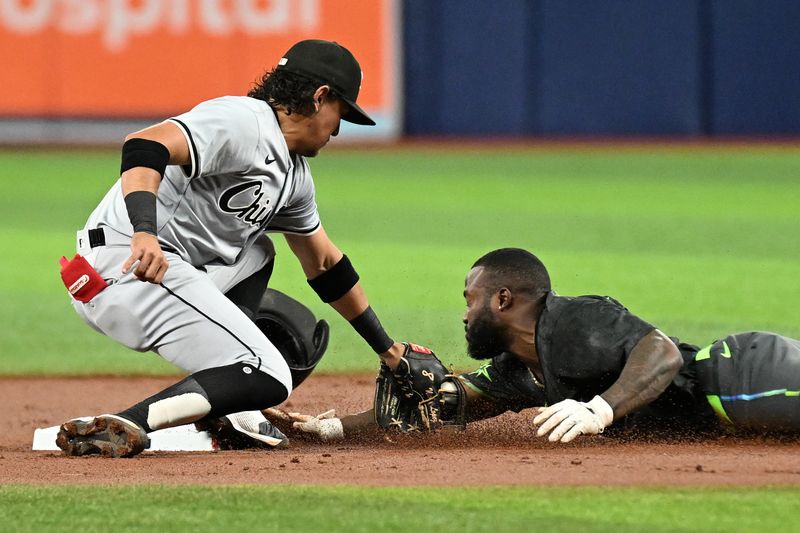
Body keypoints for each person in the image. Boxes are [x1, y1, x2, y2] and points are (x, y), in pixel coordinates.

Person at [55, 39, 413, 458]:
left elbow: (325, 263)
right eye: (342, 113)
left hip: (154, 270)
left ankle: (226, 405)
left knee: (258, 251)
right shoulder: (244, 121)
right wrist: (144, 231)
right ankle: (132, 420)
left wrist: (389, 351)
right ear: (320, 98)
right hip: (128, 265)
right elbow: (144, 145)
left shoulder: (293, 175)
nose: (338, 128)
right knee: (270, 373)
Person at [289, 247, 800, 443]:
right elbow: (440, 403)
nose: (464, 315)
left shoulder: (576, 318)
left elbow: (662, 352)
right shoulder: (518, 371)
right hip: (725, 407)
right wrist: (331, 427)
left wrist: (600, 410)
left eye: (471, 300)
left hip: (737, 379)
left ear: (504, 300)